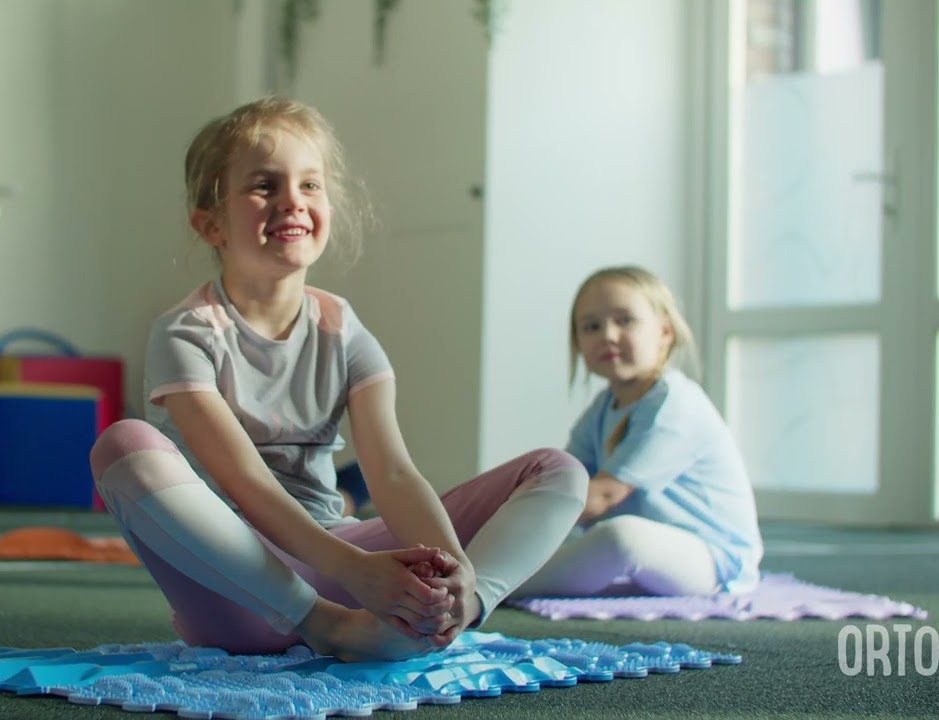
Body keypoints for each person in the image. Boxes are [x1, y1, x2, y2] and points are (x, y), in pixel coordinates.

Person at [89, 96, 587, 663]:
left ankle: (462, 613)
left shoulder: (343, 330)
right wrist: (351, 569)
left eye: (309, 185)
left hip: (339, 560)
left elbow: (394, 473)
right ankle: (323, 625)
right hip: (235, 586)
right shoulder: (184, 332)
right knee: (122, 446)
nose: (291, 203)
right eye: (263, 186)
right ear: (210, 223)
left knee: (558, 471)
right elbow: (246, 482)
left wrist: (455, 573)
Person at [513, 266, 763, 599]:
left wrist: (512, 523)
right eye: (591, 327)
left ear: (665, 332)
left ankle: (495, 583)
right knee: (569, 531)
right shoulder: (603, 408)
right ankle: (495, 572)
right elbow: (566, 482)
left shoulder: (673, 403)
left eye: (625, 321)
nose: (608, 335)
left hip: (714, 561)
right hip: (660, 552)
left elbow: (600, 496)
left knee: (620, 539)